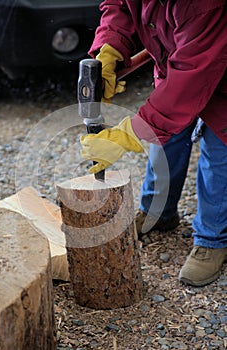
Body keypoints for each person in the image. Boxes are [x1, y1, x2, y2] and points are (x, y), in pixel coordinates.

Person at [80, 0, 227, 287]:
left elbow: (191, 77)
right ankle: (158, 211)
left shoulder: (204, 4)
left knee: (218, 150)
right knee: (166, 138)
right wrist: (110, 46)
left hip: (217, 79)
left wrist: (128, 134)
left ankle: (213, 239)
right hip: (179, 65)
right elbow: (120, 5)